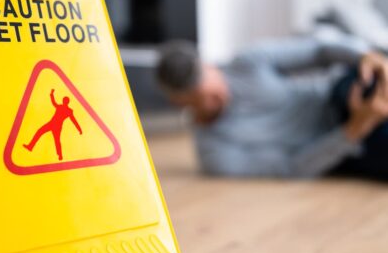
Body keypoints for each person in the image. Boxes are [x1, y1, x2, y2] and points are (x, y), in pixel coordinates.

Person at [156, 35, 388, 178]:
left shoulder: (248, 62)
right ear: (178, 103)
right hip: (340, 146)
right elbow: (291, 168)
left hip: (339, 94)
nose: (214, 99)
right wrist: (356, 129)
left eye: (213, 89)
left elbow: (319, 51)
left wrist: (366, 56)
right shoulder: (214, 153)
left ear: (208, 65)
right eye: (201, 101)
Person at [23, 89, 83, 161]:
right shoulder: (64, 108)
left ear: (66, 102)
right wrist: (51, 94)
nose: (63, 101)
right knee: (40, 132)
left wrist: (79, 129)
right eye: (63, 100)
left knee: (56, 140)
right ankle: (30, 146)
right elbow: (54, 103)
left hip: (56, 126)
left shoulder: (67, 110)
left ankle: (60, 155)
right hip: (52, 124)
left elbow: (74, 121)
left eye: (64, 100)